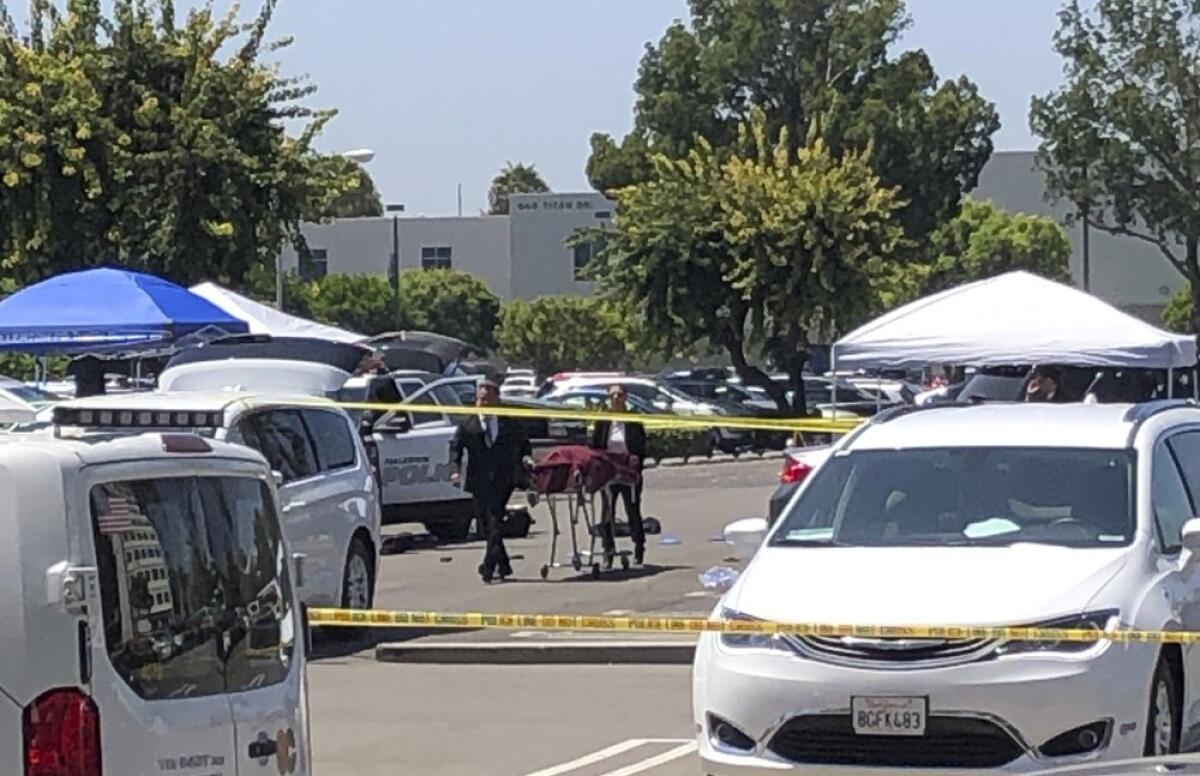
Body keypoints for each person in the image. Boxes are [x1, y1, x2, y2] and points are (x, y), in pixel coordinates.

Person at [450, 378, 532, 584]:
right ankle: (503, 563)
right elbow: (455, 448)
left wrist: (526, 458)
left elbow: (524, 443)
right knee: (485, 523)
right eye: (481, 396)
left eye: (489, 395)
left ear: (496, 398)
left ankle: (488, 566)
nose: (484, 400)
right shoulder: (468, 423)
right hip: (479, 479)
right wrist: (455, 471)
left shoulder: (508, 421)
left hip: (503, 478)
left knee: (495, 518)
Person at [591, 385, 648, 567]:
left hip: (628, 470)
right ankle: (608, 551)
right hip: (608, 470)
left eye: (620, 395)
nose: (616, 398)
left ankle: (639, 548)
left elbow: (641, 447)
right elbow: (595, 445)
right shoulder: (603, 421)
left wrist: (637, 466)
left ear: (625, 398)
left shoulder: (633, 420)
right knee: (607, 512)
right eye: (612, 395)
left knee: (632, 509)